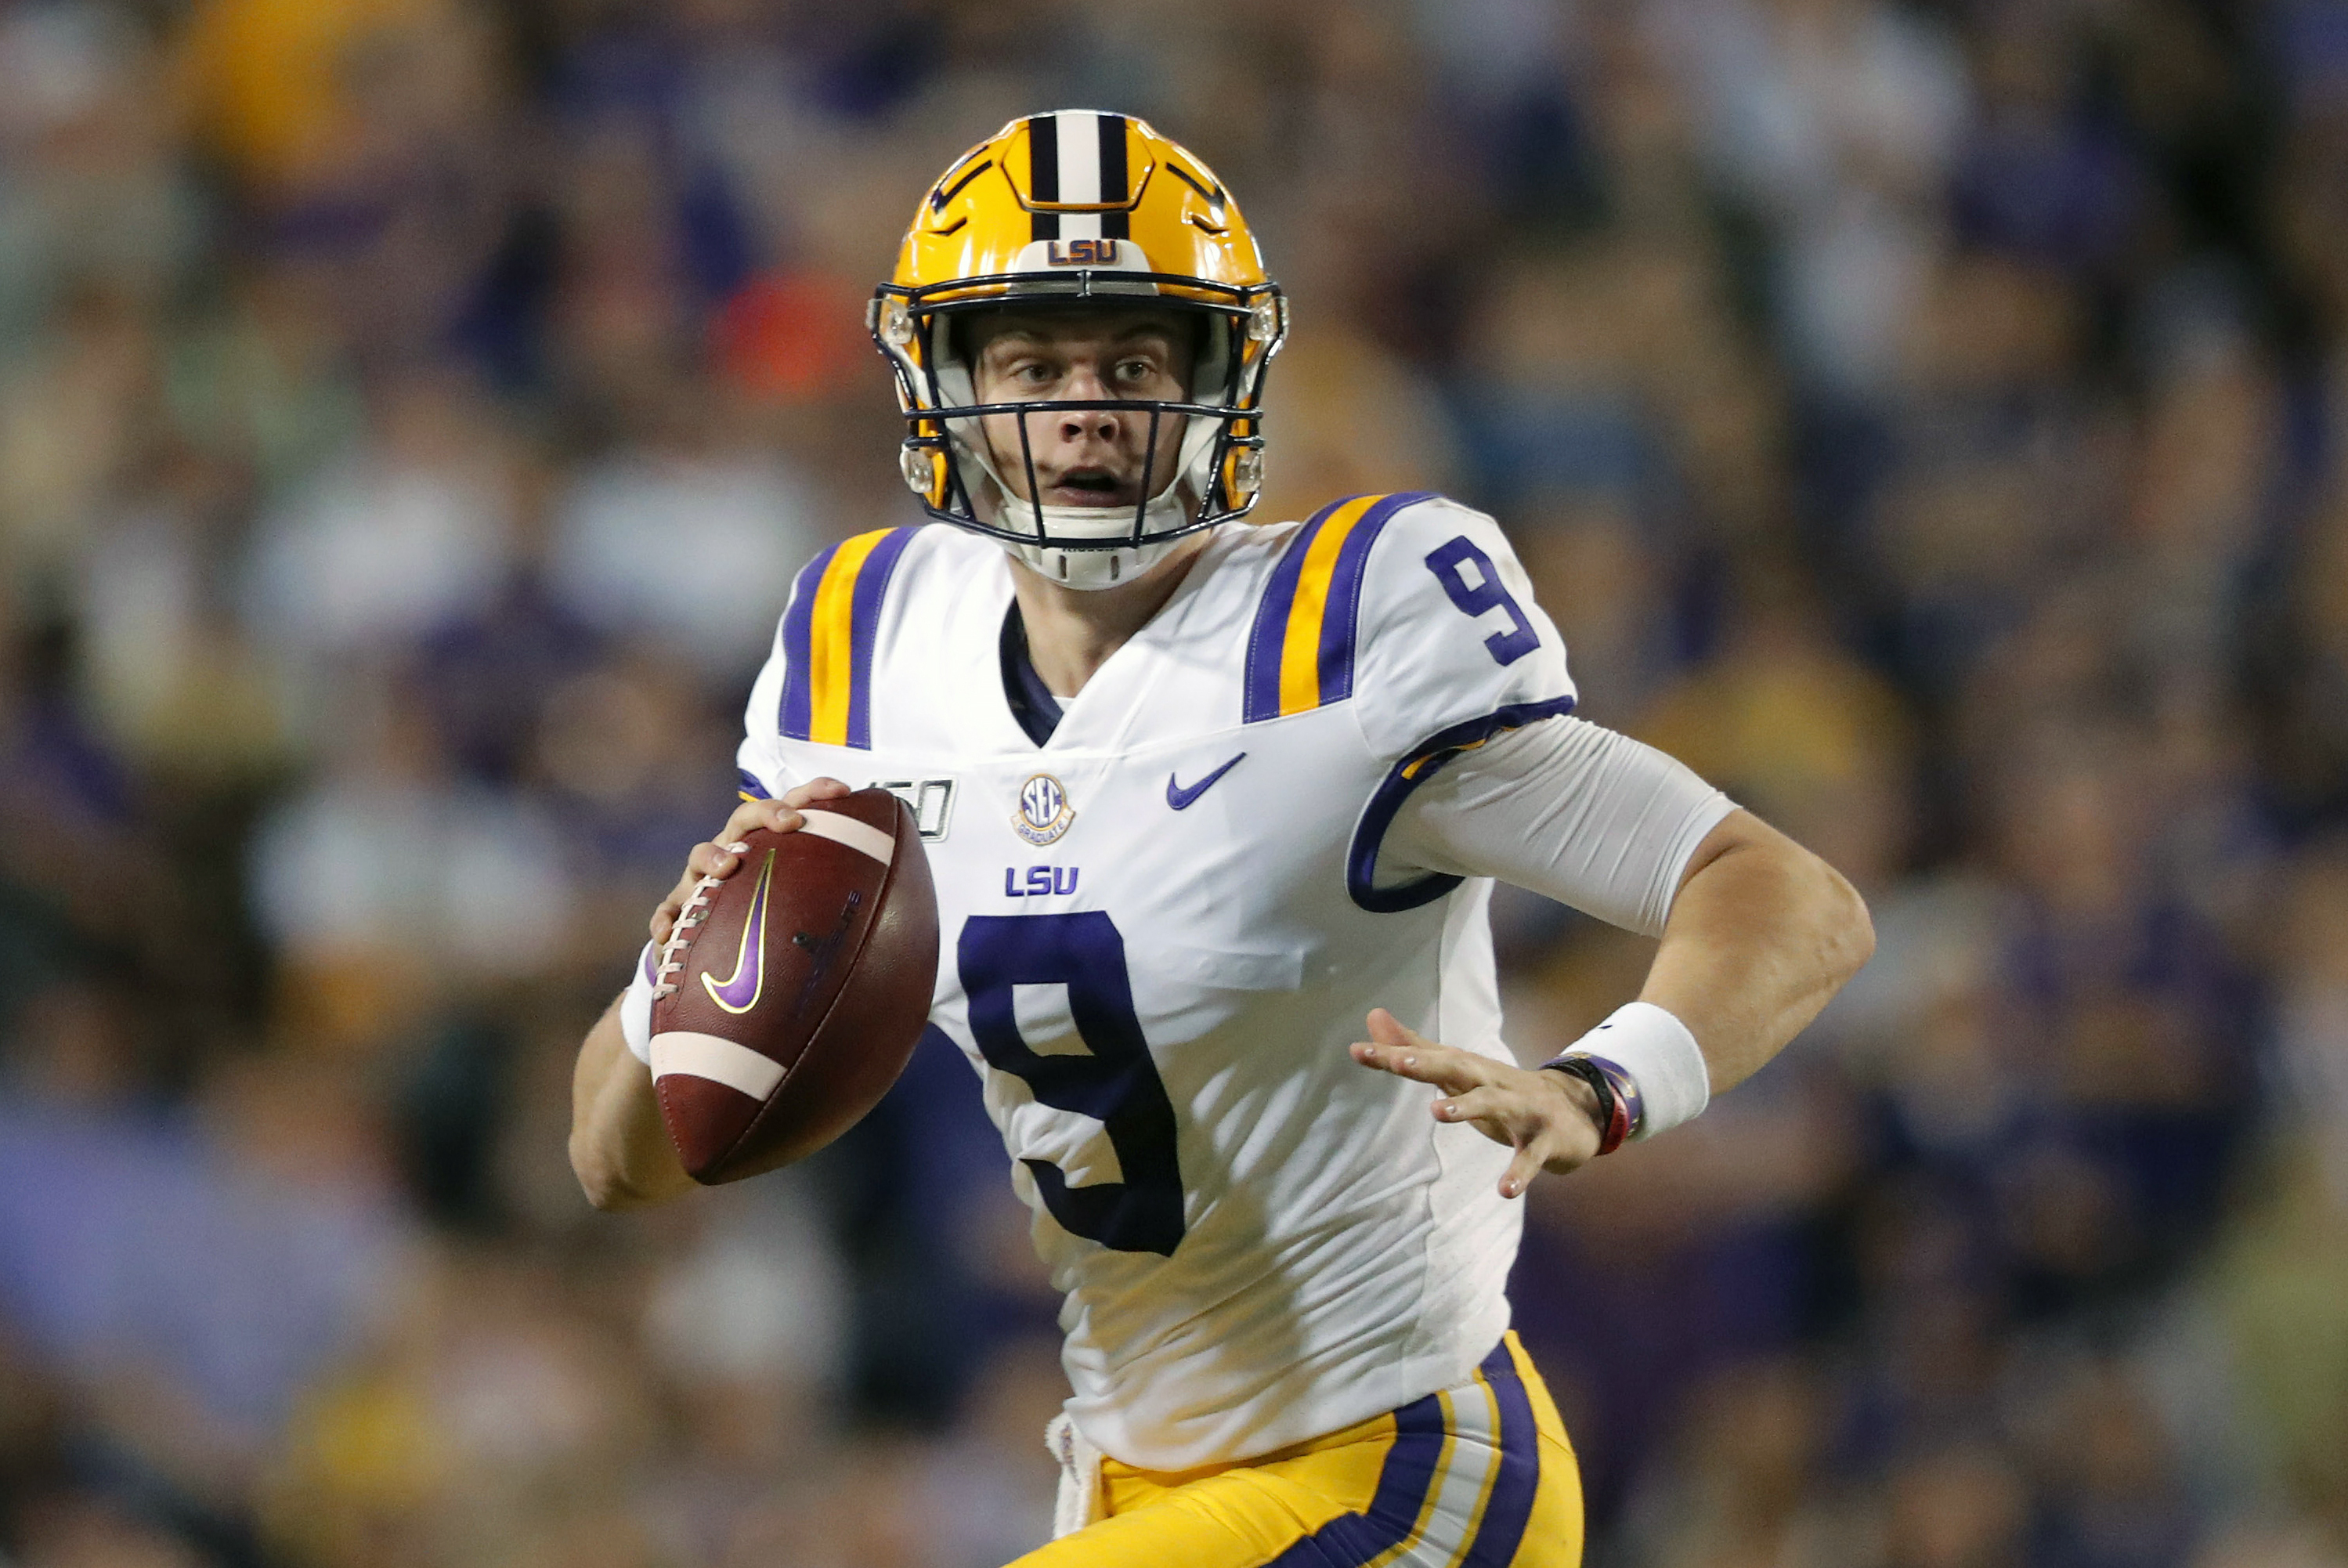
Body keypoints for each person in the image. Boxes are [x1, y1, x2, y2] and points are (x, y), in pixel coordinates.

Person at [568, 111, 1873, 1566]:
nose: (1084, 407)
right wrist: (687, 963)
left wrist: (1604, 1083)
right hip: (1130, 1480)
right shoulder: (866, 648)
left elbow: (1786, 894)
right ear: (942, 383)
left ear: (1219, 378)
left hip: (1400, 1460)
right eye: (1033, 363)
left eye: (1134, 361)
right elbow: (617, 1162)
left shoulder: (1350, 629)